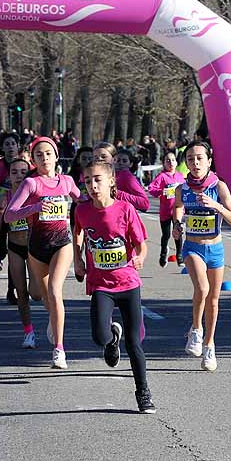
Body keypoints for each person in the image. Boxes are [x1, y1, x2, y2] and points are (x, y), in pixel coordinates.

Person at [73, 161, 155, 413]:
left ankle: (143, 393)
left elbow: (141, 243)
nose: (93, 185)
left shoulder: (125, 209)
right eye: (88, 181)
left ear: (111, 182)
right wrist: (78, 260)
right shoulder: (82, 211)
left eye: (97, 179)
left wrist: (140, 256)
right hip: (101, 285)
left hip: (128, 283)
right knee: (99, 336)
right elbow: (77, 234)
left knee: (134, 343)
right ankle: (111, 340)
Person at [5, 137, 82, 369]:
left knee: (54, 291)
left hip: (62, 243)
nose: (44, 158)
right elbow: (10, 214)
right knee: (42, 296)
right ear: (33, 160)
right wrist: (35, 207)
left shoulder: (67, 182)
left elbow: (85, 202)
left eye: (48, 153)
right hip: (37, 247)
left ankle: (59, 349)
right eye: (39, 155)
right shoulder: (31, 184)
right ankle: (53, 319)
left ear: (56, 156)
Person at [173, 142, 231, 372]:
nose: (195, 163)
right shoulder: (182, 189)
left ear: (209, 161)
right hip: (193, 248)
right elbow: (178, 207)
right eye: (190, 159)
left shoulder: (219, 187)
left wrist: (216, 206)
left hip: (215, 249)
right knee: (201, 289)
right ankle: (195, 329)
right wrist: (176, 224)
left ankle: (209, 345)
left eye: (200, 158)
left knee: (213, 298)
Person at [0, 157, 36, 348]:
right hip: (14, 248)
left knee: (38, 294)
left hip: (34, 248)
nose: (18, 176)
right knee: (21, 293)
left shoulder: (34, 196)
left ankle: (53, 322)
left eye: (23, 172)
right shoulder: (5, 197)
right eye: (14, 172)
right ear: (8, 176)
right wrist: (0, 214)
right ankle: (29, 332)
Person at [147, 150, 185, 267]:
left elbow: (186, 190)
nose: (171, 162)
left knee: (178, 233)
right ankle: (163, 254)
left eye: (173, 160)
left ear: (176, 162)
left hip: (178, 211)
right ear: (164, 163)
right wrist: (161, 191)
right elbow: (151, 189)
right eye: (168, 160)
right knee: (166, 235)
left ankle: (180, 256)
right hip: (165, 211)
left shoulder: (180, 176)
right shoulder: (162, 176)